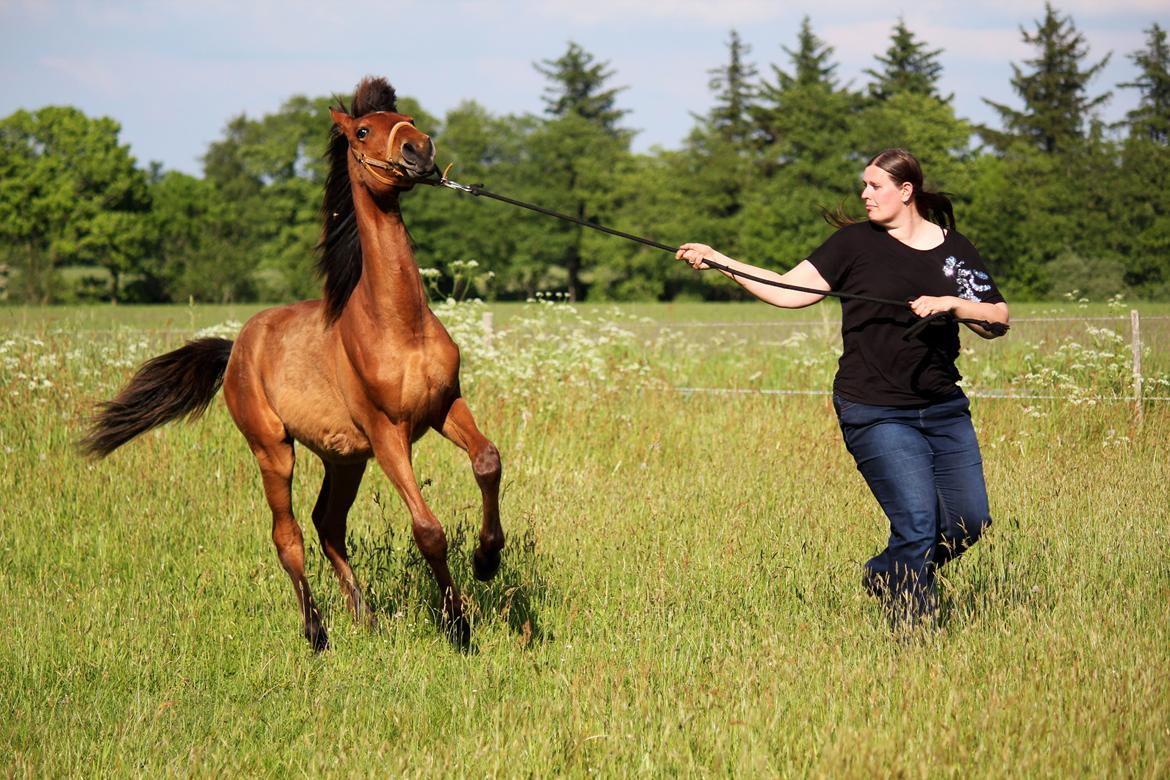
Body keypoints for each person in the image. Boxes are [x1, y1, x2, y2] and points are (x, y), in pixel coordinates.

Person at [676, 148, 1009, 630]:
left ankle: (886, 573)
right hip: (874, 409)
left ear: (906, 191)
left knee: (969, 522)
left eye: (875, 186)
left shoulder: (952, 250)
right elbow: (790, 293)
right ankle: (914, 637)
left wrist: (951, 304)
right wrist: (719, 259)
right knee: (916, 522)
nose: (864, 194)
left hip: (943, 407)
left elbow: (997, 317)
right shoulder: (853, 243)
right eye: (865, 185)